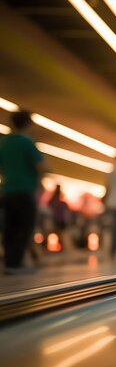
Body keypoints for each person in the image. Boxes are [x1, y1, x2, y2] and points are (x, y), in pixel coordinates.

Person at [0, 111, 46, 274]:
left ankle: (9, 262)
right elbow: (41, 167)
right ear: (27, 124)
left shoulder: (3, 142)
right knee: (25, 227)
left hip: (7, 191)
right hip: (25, 190)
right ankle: (16, 263)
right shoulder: (27, 143)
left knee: (10, 227)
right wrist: (39, 182)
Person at [48, 185, 71, 251]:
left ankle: (65, 249)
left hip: (58, 221)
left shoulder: (54, 202)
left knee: (62, 236)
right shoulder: (58, 202)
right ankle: (65, 249)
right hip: (57, 221)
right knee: (62, 236)